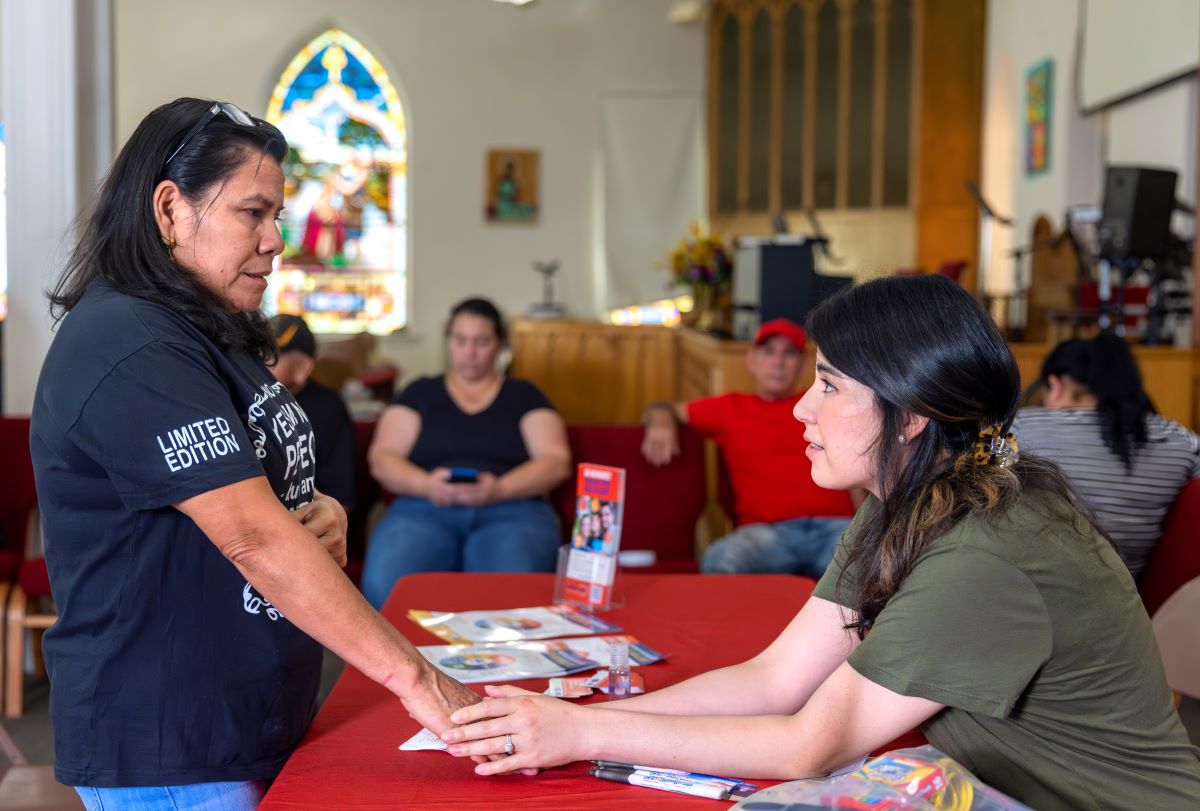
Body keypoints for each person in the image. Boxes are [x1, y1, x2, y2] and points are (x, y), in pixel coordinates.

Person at [441, 275, 1200, 810]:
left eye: (830, 385)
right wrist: (581, 722)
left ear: (909, 416)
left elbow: (813, 743)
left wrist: (579, 728)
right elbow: (775, 679)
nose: (802, 407)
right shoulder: (907, 498)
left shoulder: (988, 551)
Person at [30, 98, 482, 810]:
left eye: (279, 215)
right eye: (253, 212)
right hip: (174, 739)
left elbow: (249, 479)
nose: (277, 239)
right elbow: (250, 533)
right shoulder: (131, 340)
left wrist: (319, 507)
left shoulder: (208, 324)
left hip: (244, 712)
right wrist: (417, 680)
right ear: (171, 207)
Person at [361, 297, 571, 608]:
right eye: (460, 340)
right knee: (384, 581)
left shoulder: (524, 395)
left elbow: (555, 461)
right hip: (423, 508)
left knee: (512, 594)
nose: (469, 352)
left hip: (514, 511)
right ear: (449, 341)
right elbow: (383, 458)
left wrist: (500, 489)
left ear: (499, 345)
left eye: (481, 341)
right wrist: (427, 485)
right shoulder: (419, 392)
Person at [642, 319, 857, 576]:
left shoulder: (822, 405)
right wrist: (661, 420)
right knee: (721, 558)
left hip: (834, 530)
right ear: (752, 361)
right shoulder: (730, 408)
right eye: (769, 352)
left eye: (789, 353)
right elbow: (662, 408)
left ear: (802, 366)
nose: (778, 362)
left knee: (867, 566)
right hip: (766, 535)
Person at [1013, 332, 1200, 581]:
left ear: (1055, 385)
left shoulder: (1020, 428)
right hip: (1129, 603)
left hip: (1032, 596)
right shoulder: (1180, 440)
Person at [269, 313, 357, 513]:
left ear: (303, 366)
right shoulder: (239, 398)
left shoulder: (328, 408)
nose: (260, 361)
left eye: (272, 354)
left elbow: (340, 496)